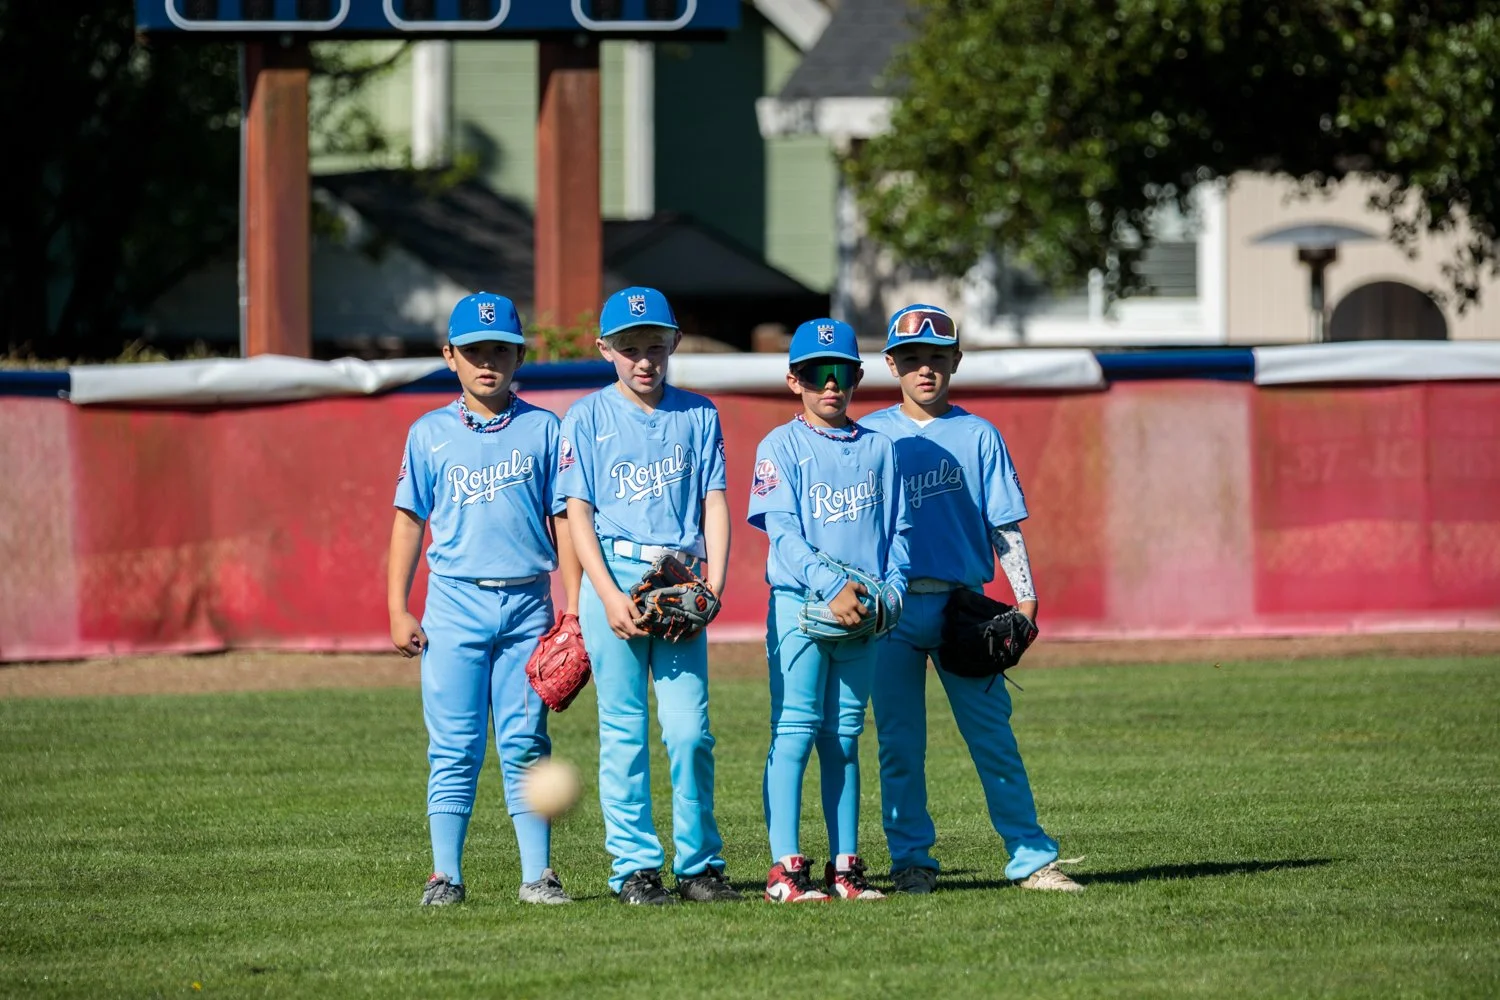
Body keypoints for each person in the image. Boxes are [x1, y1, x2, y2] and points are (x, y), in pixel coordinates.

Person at [861, 303, 1082, 895]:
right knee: (900, 746)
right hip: (893, 610)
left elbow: (1004, 526)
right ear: (890, 364)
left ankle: (1033, 858)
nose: (924, 369)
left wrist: (1026, 601)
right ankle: (911, 862)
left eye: (937, 357)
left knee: (993, 740)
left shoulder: (979, 434)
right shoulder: (869, 436)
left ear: (956, 360)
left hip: (964, 606)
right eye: (911, 359)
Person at [388, 291, 581, 907]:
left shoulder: (544, 429)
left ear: (520, 355)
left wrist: (572, 611)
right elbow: (409, 521)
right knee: (455, 744)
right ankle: (445, 875)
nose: (487, 361)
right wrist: (398, 606)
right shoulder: (429, 434)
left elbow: (566, 523)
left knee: (525, 743)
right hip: (454, 604)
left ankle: (537, 876)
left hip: (528, 606)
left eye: (500, 348)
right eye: (474, 351)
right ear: (450, 356)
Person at [557, 286, 741, 905]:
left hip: (681, 583)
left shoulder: (699, 414)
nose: (644, 360)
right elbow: (577, 513)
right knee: (624, 733)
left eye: (655, 346)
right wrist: (602, 595)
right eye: (630, 348)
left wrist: (712, 583)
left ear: (674, 345)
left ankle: (699, 865)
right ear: (605, 348)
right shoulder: (585, 416)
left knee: (690, 731)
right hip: (613, 577)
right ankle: (635, 868)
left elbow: (715, 499)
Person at [747, 318, 909, 903]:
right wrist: (830, 586)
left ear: (859, 377)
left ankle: (845, 867)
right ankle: (784, 870)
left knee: (844, 736)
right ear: (795, 380)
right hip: (800, 607)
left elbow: (900, 534)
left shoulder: (880, 448)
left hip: (861, 613)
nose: (831, 384)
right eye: (818, 373)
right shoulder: (779, 446)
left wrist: (890, 594)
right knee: (793, 731)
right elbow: (783, 534)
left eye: (841, 372)